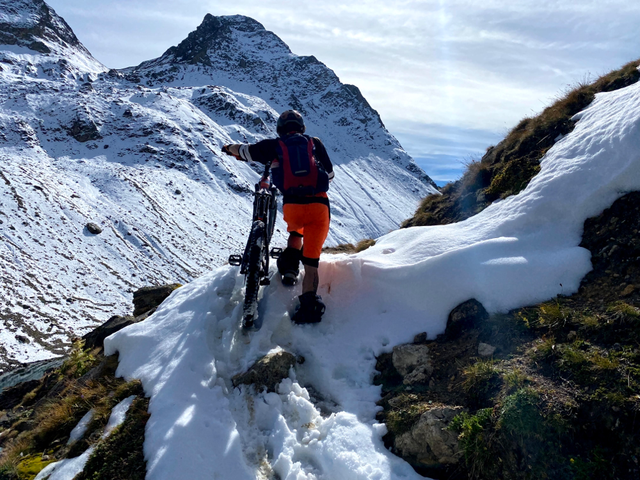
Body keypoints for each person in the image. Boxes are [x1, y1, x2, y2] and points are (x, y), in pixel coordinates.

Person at [222, 110, 334, 324]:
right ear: (302, 128)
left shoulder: (274, 145)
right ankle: (308, 304)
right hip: (319, 205)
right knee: (311, 262)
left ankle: (290, 265)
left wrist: (228, 149)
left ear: (280, 129)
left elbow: (245, 151)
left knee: (295, 230)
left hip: (293, 204)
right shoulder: (315, 143)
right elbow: (329, 174)